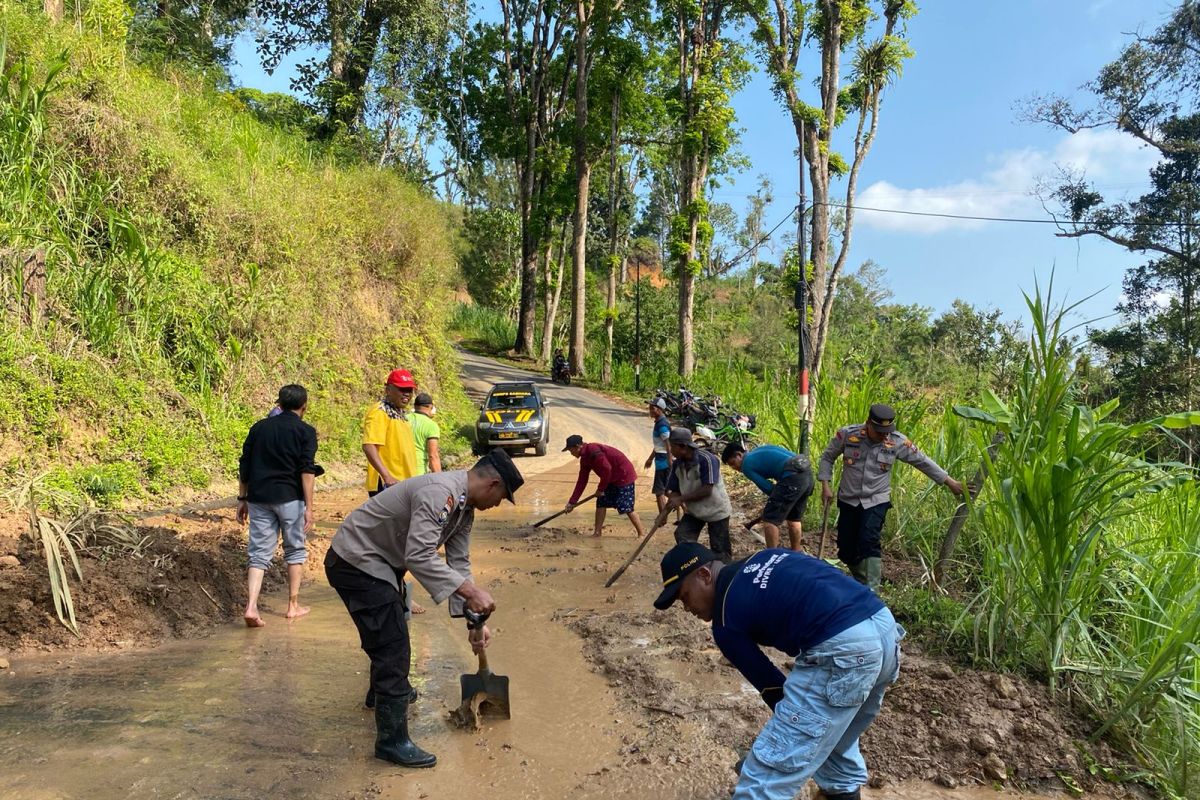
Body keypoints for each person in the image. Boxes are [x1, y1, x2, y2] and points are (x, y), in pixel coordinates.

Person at [653, 541, 903, 800]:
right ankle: (840, 789)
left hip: (844, 648)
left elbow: (771, 686)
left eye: (684, 597)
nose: (686, 608)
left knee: (763, 780)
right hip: (883, 629)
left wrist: (782, 747)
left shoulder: (725, 621)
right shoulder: (765, 556)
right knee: (836, 743)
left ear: (704, 575)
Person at [325, 449, 524, 768]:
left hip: (380, 562)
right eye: (501, 498)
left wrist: (474, 622)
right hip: (356, 561)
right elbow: (419, 555)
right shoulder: (439, 494)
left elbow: (459, 563)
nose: (497, 505)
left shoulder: (464, 509)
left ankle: (381, 694)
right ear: (493, 483)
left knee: (388, 631)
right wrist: (470, 591)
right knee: (393, 645)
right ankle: (392, 741)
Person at [817, 403, 963, 589]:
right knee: (846, 550)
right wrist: (825, 484)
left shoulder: (897, 442)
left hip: (876, 500)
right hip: (849, 499)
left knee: (868, 541)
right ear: (868, 423)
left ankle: (871, 590)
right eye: (879, 431)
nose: (884, 435)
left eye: (887, 431)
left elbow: (923, 462)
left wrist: (951, 483)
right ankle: (862, 580)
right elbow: (827, 457)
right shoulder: (848, 435)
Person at [236, 384, 320, 627]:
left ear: (279, 404)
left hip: (259, 498)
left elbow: (245, 464)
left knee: (258, 553)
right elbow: (307, 469)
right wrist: (310, 507)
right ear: (304, 406)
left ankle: (251, 606)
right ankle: (293, 606)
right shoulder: (305, 432)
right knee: (294, 550)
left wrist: (242, 498)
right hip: (290, 498)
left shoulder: (259, 428)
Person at [722, 443, 813, 551]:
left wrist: (776, 502)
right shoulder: (758, 451)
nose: (735, 468)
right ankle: (796, 551)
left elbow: (768, 488)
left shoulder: (746, 464)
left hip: (791, 478)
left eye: (733, 463)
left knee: (770, 520)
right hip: (806, 473)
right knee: (793, 519)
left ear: (739, 455)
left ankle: (771, 556)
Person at [660, 427, 733, 560]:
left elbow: (707, 489)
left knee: (720, 550)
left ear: (682, 447)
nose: (670, 450)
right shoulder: (678, 465)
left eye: (672, 446)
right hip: (695, 511)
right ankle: (695, 564)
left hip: (716, 510)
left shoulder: (708, 460)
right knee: (682, 536)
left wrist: (681, 499)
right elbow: (673, 489)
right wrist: (665, 511)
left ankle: (724, 574)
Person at [562, 434, 647, 539]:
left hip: (623, 475)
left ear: (578, 446)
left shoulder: (593, 451)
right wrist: (572, 502)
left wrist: (600, 489)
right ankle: (597, 533)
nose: (571, 454)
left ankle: (642, 534)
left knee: (626, 506)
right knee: (601, 502)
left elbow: (607, 469)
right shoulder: (584, 459)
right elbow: (582, 481)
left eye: (571, 451)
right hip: (610, 478)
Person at [362, 368, 419, 496]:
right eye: (402, 389)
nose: (407, 394)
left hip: (404, 482)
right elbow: (369, 446)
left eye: (409, 390)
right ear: (388, 390)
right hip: (388, 484)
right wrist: (387, 476)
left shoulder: (399, 414)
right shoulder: (380, 412)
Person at [643, 398, 674, 518]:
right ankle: (683, 508)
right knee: (666, 491)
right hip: (661, 459)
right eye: (650, 407)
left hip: (664, 461)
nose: (650, 410)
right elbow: (659, 445)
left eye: (653, 408)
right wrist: (650, 458)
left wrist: (670, 459)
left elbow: (667, 443)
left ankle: (663, 517)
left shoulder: (662, 424)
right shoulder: (660, 422)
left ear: (660, 410)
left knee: (659, 491)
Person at [410, 392, 442, 475]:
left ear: (415, 406)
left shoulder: (403, 419)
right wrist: (440, 478)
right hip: (418, 472)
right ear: (430, 407)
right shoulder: (431, 425)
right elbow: (433, 456)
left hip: (400, 470)